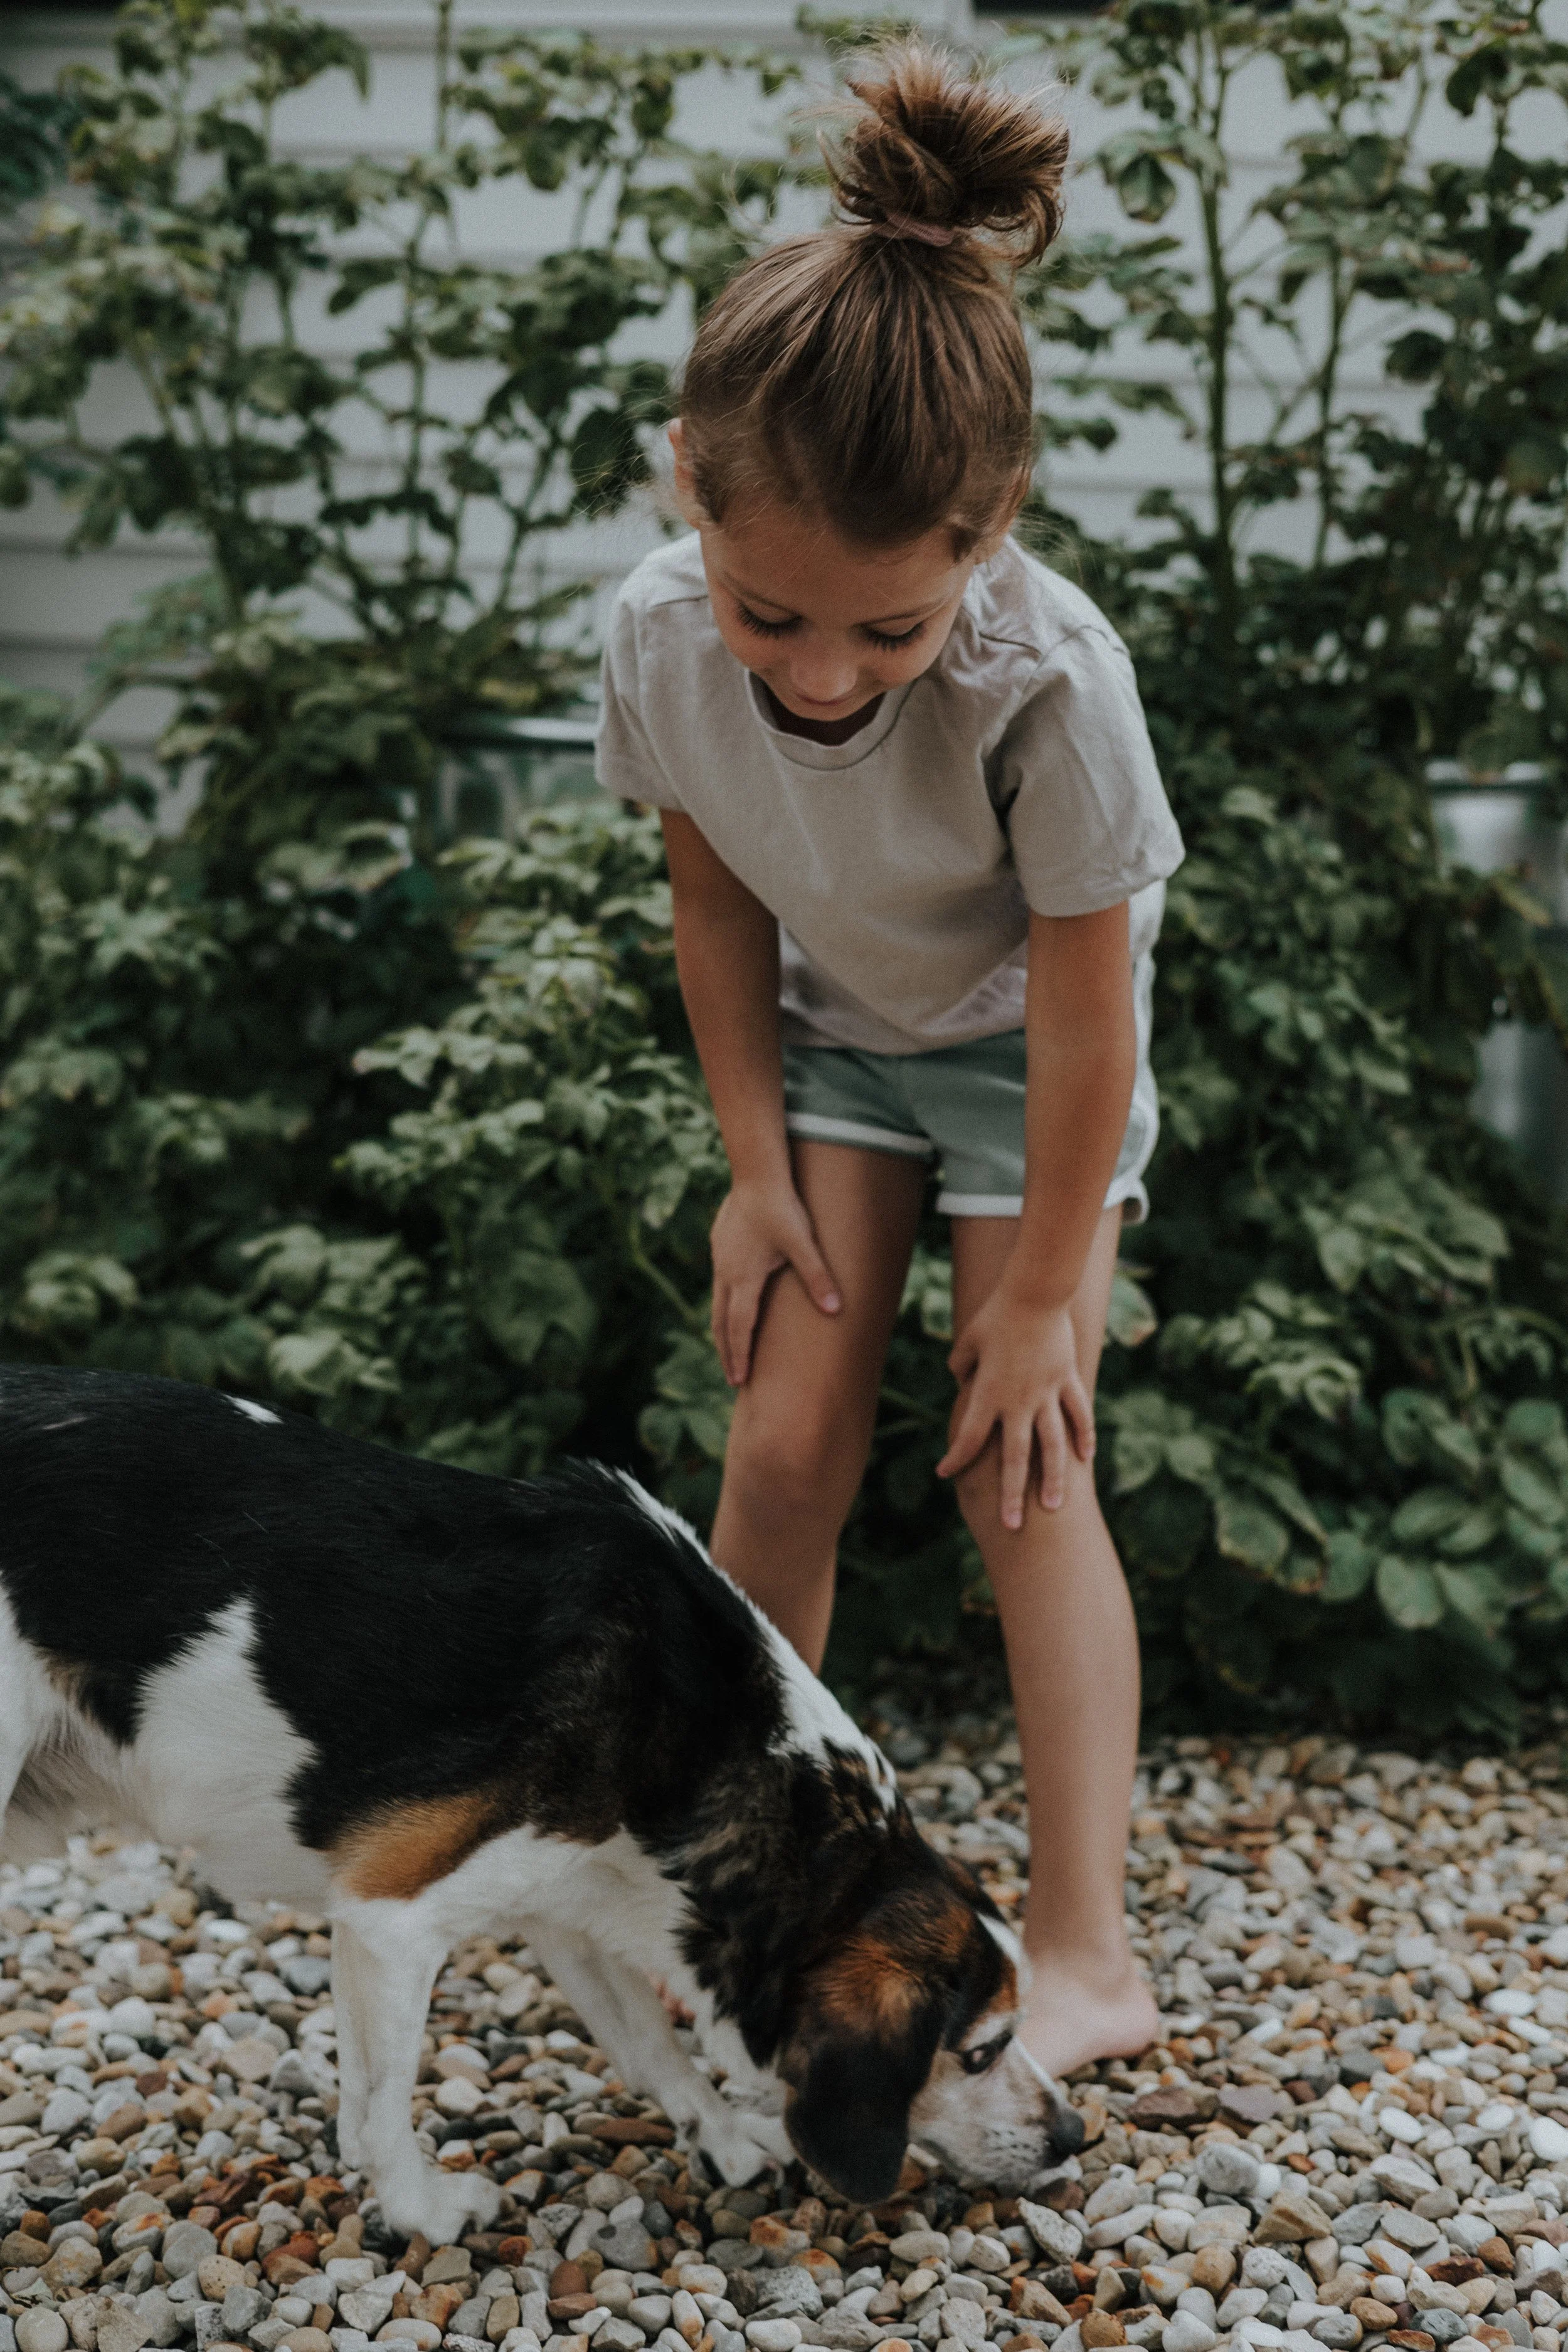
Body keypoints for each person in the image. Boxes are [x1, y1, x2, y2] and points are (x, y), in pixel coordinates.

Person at [595, 39, 1182, 2078]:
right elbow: (716, 905)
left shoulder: (1051, 682)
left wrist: (1034, 1300)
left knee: (1021, 1464)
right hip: (842, 1046)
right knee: (771, 1447)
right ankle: (745, 1895)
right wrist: (753, 1166)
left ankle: (1090, 1949)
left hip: (1034, 1062)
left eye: (886, 636)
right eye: (777, 619)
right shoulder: (663, 639)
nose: (824, 678)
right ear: (690, 478)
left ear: (987, 526)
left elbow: (1091, 996)